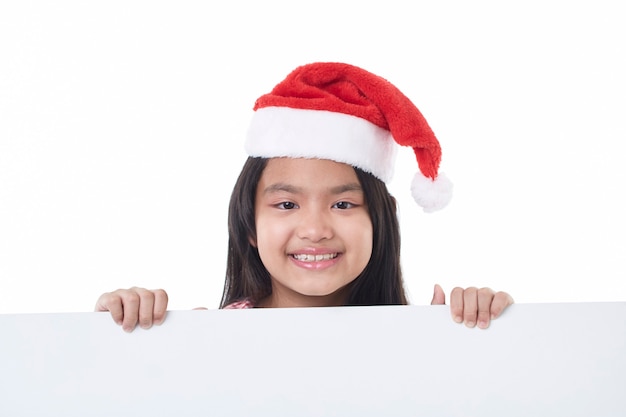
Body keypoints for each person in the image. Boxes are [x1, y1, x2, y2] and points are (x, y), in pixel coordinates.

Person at [95, 62, 514, 332]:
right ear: (250, 228)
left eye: (343, 204)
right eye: (287, 204)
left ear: (379, 223)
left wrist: (476, 330)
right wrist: (122, 327)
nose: (315, 229)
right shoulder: (209, 339)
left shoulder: (420, 332)